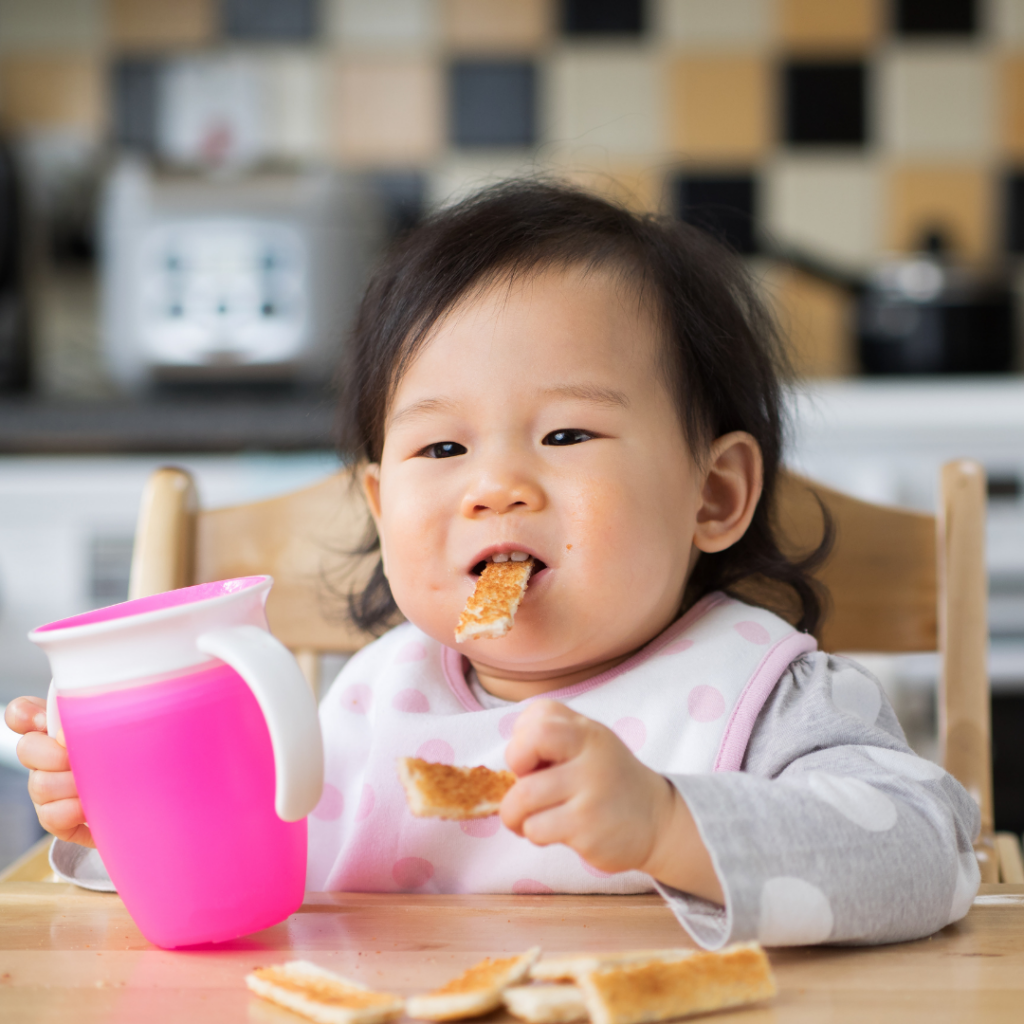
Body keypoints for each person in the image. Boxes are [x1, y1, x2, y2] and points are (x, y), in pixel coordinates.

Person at [6, 181, 979, 949]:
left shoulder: (768, 697)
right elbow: (249, 884)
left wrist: (668, 822)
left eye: (564, 432)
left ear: (713, 495)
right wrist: (133, 816)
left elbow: (930, 858)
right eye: (441, 451)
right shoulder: (372, 707)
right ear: (382, 507)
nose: (495, 488)